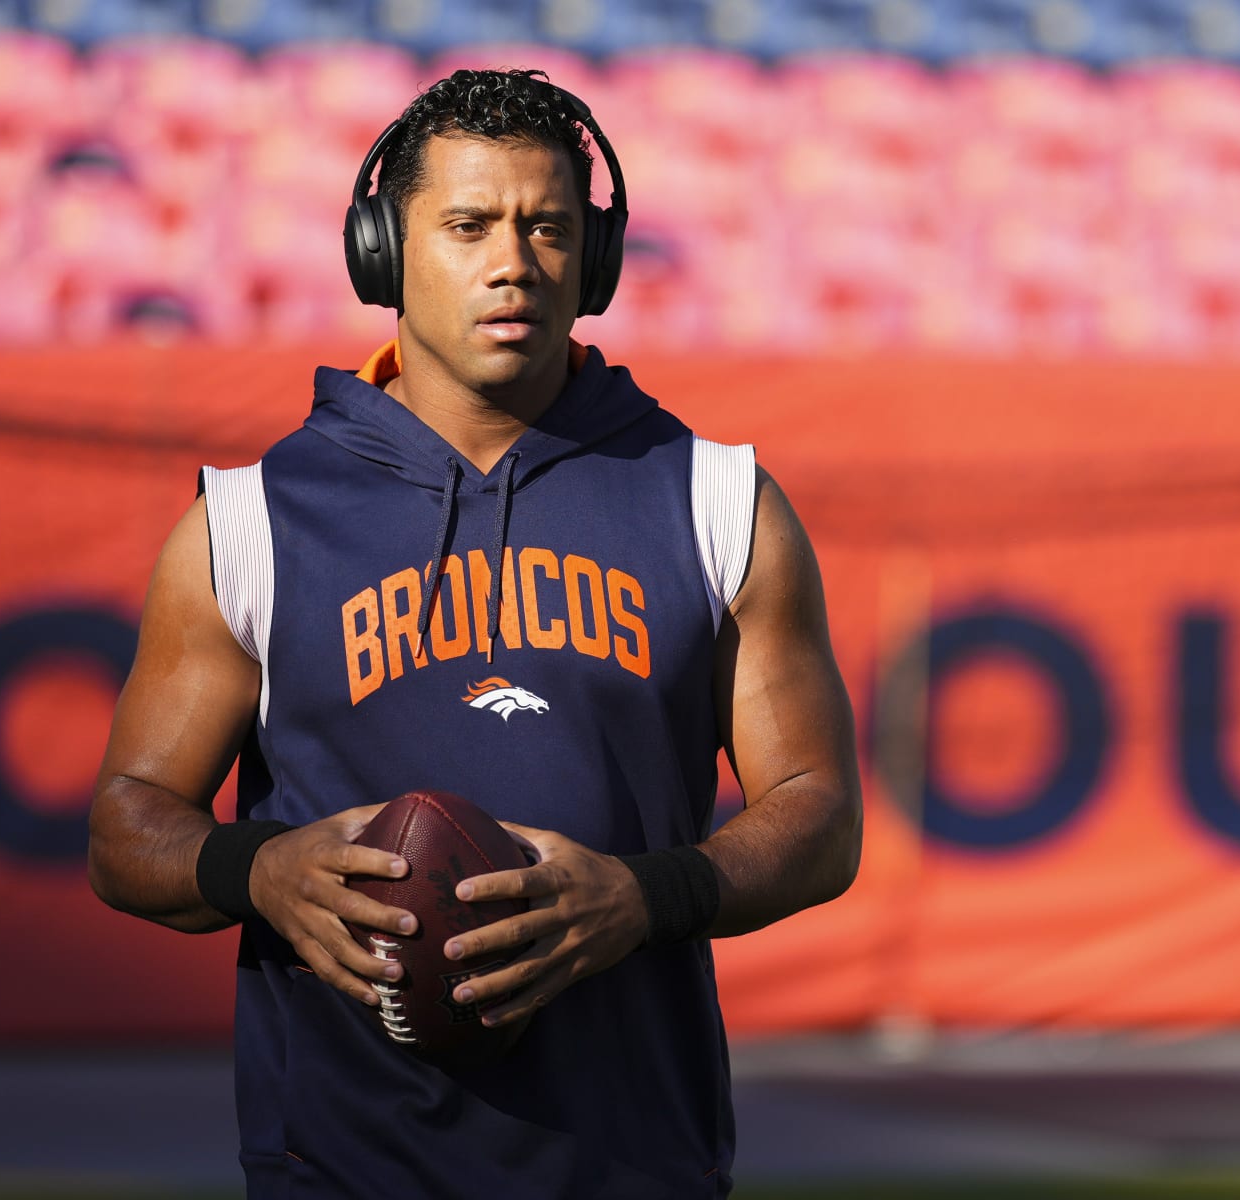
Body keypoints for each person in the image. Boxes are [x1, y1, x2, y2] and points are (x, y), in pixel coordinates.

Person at [87, 67, 862, 1198]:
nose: (513, 263)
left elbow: (820, 815)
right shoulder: (251, 521)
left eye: (549, 227)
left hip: (634, 1163)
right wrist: (262, 870)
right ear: (382, 252)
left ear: (593, 261)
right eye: (468, 226)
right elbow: (124, 826)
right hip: (338, 1170)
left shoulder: (717, 499)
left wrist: (647, 895)